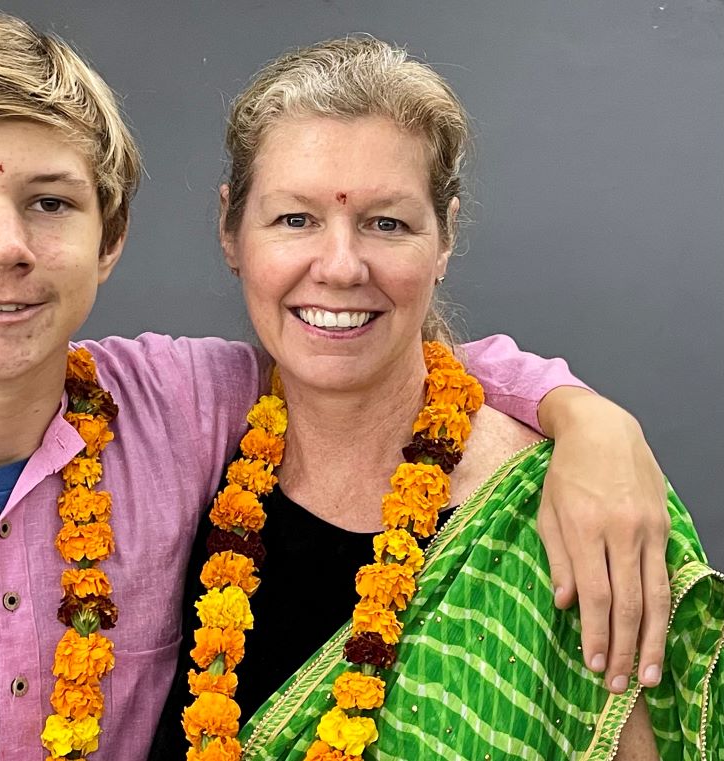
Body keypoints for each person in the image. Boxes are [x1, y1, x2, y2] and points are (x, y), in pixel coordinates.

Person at [0, 13, 681, 761]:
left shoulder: (179, 407)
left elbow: (376, 356)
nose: (5, 247)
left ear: (112, 237)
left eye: (50, 202)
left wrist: (587, 418)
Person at [153, 36, 723, 760]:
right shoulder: (179, 455)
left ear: (445, 238)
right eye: (294, 219)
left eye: (386, 223)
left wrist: (590, 421)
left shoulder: (573, 508)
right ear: (231, 229)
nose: (339, 266)